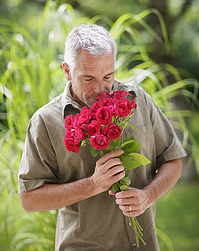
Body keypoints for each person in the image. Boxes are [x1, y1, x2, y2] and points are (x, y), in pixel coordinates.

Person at [18, 24, 186, 251]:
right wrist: (92, 185)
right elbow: (29, 199)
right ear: (67, 70)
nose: (100, 89)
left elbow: (173, 159)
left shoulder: (138, 100)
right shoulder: (45, 122)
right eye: (88, 78)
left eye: (108, 76)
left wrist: (148, 196)